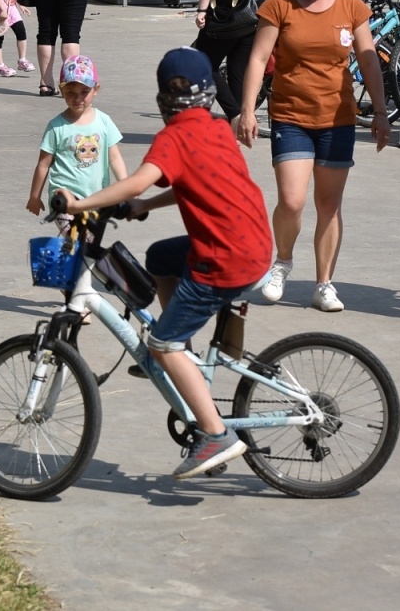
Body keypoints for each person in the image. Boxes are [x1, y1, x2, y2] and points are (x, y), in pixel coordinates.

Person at [56, 47, 272, 479]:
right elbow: (191, 182)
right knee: (159, 257)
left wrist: (82, 204)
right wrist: (145, 206)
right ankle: (185, 354)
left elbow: (135, 179)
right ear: (209, 92)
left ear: (162, 98)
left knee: (160, 343)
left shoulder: (173, 137)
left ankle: (215, 434)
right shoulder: (215, 127)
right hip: (253, 244)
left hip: (223, 259)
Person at [237, 0, 390, 314]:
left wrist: (381, 112)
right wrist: (247, 110)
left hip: (338, 118)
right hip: (290, 116)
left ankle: (324, 283)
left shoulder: (352, 6)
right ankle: (283, 262)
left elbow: (369, 61)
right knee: (291, 201)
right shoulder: (280, 5)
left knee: (329, 205)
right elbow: (257, 59)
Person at [26, 55, 128, 216]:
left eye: (84, 92)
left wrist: (125, 186)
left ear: (96, 89)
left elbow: (114, 158)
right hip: (63, 200)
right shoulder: (56, 126)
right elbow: (43, 164)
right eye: (70, 92)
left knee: (89, 241)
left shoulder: (104, 121)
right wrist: (34, 196)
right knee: (75, 238)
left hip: (97, 198)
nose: (78, 98)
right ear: (61, 89)